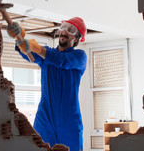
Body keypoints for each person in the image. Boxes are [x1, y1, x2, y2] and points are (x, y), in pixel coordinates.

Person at [7, 17, 87, 151]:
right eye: (63, 27)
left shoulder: (79, 57)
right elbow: (27, 52)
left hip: (69, 122)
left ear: (77, 38)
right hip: (45, 119)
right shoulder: (46, 54)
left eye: (70, 30)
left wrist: (37, 48)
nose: (64, 32)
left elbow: (62, 60)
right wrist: (19, 38)